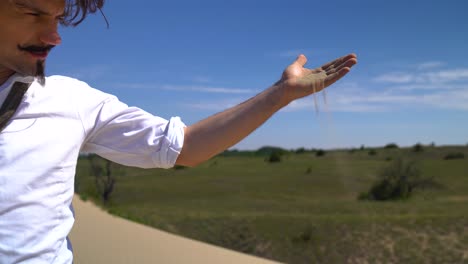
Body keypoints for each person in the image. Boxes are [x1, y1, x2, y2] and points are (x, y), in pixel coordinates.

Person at [0, 0, 357, 263]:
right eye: (33, 13)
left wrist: (279, 95)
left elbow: (183, 147)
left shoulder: (69, 100)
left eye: (59, 19)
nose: (54, 37)